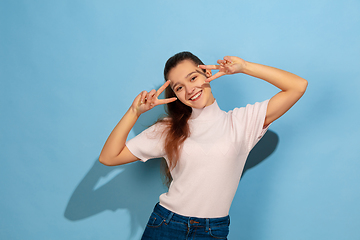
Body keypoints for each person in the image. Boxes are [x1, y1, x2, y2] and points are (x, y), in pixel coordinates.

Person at [99, 51, 308, 239]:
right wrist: (134, 112)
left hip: (212, 231)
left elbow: (298, 86)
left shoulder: (242, 122)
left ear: (207, 74)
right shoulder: (167, 129)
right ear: (175, 95)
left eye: (193, 77)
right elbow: (109, 157)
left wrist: (244, 67)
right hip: (166, 224)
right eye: (179, 87)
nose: (189, 89)